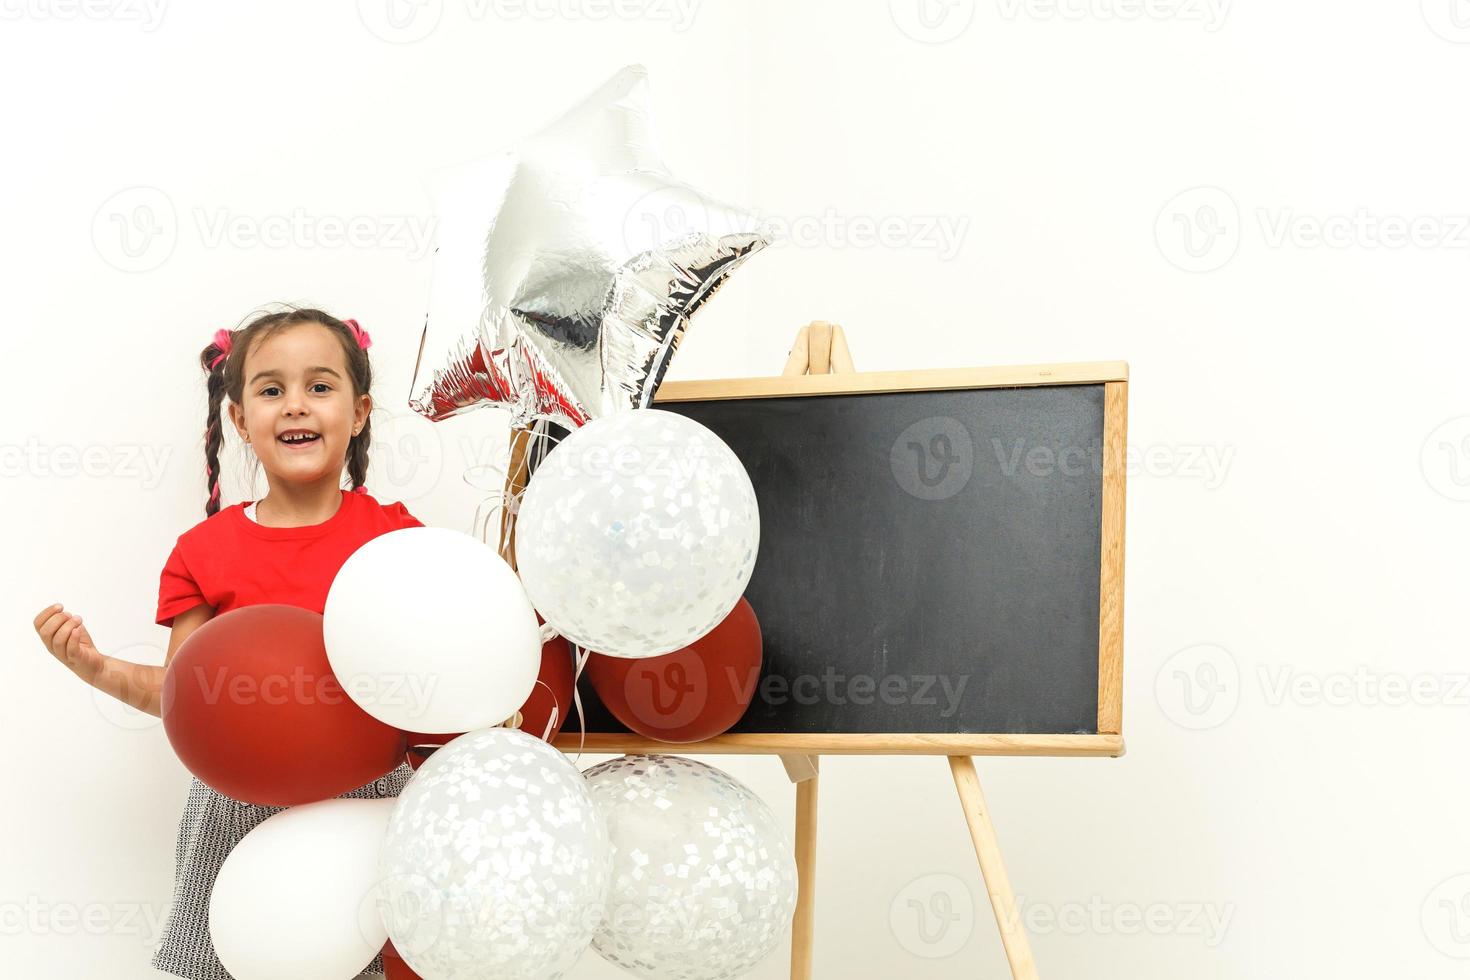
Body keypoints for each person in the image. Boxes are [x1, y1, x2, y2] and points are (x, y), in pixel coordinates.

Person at [33, 306, 424, 979]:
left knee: (361, 957)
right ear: (240, 419)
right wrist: (95, 668)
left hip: (369, 791)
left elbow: (433, 672)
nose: (295, 405)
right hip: (237, 795)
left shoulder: (399, 541)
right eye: (271, 390)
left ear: (360, 412)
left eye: (320, 387)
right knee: (231, 954)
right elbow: (183, 694)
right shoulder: (204, 551)